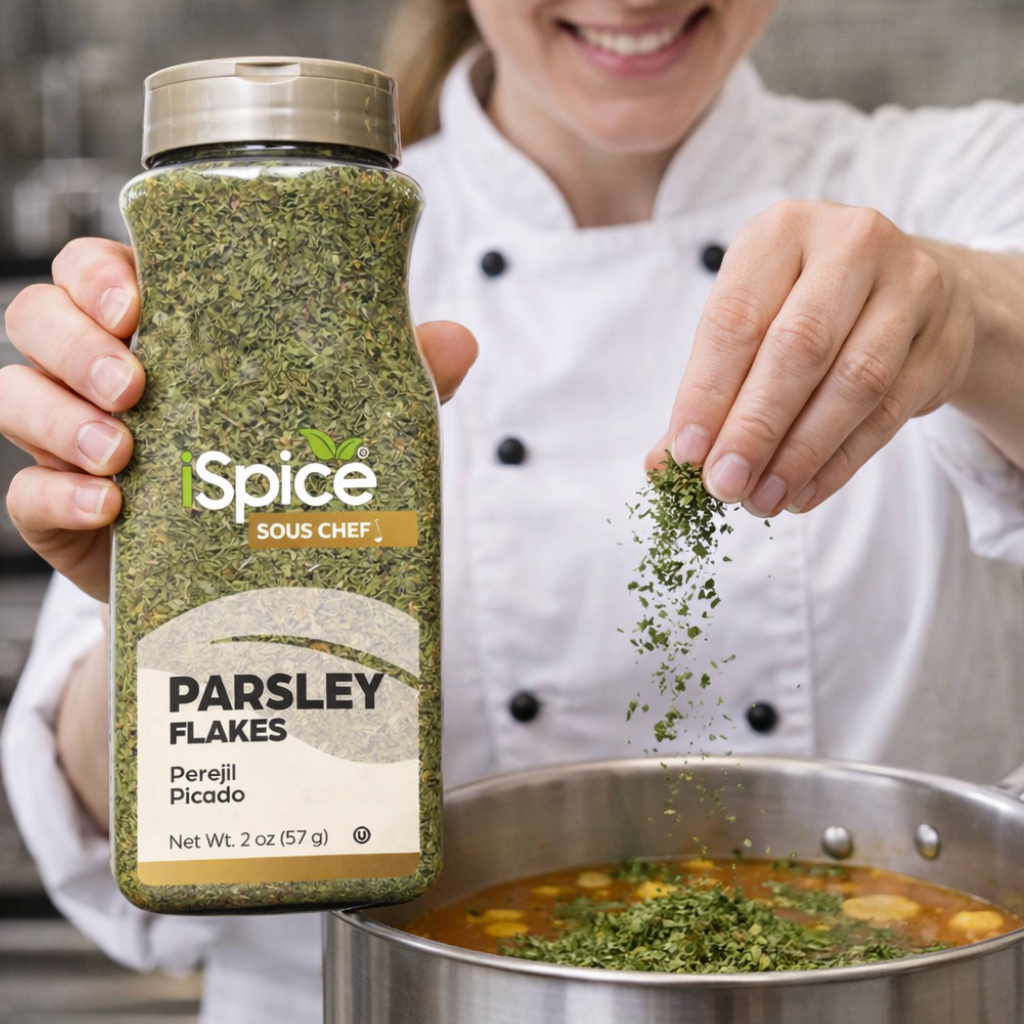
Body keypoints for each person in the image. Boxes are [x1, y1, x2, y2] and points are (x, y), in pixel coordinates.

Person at [3, 0, 1024, 1020]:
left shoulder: (958, 175)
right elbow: (105, 824)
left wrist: (969, 315)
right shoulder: (294, 250)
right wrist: (154, 592)